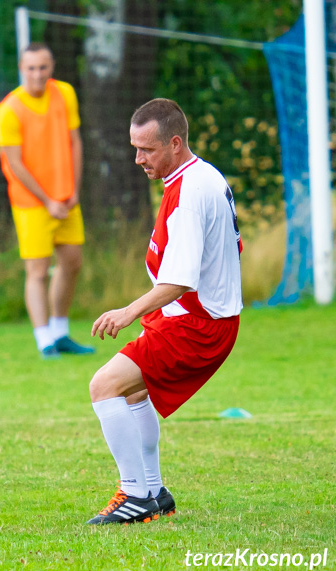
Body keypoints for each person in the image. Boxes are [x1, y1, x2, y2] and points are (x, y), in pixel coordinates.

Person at [86, 98, 242, 524]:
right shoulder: (198, 175)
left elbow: (182, 279)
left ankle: (134, 494)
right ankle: (154, 493)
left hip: (198, 324)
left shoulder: (191, 193)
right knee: (134, 392)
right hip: (188, 316)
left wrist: (127, 311)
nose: (138, 159)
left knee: (104, 386)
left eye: (147, 149)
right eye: (135, 148)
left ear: (175, 143)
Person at [0, 42, 93, 359]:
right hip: (32, 203)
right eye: (31, 68)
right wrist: (47, 200)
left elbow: (74, 141)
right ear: (21, 69)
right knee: (37, 271)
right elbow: (14, 164)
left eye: (43, 67)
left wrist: (74, 188)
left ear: (52, 68)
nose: (37, 74)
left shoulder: (64, 93)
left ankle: (60, 331)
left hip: (66, 198)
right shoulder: (9, 110)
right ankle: (43, 341)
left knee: (72, 263)